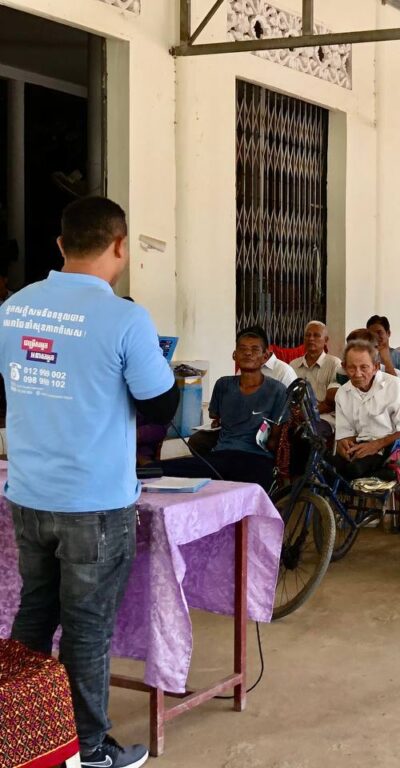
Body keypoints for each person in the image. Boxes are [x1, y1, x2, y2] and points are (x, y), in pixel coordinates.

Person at [3, 196, 178, 768]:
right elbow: (161, 403)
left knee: (35, 613)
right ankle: (92, 750)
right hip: (94, 506)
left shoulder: (15, 308)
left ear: (61, 244)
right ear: (121, 246)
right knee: (87, 629)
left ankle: (22, 733)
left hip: (28, 495)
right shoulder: (125, 318)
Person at [161, 329, 288, 490]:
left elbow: (275, 440)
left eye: (254, 349)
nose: (248, 353)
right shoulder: (223, 385)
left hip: (257, 458)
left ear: (265, 357)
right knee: (165, 469)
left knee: (250, 491)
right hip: (221, 454)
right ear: (235, 355)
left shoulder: (277, 390)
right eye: (242, 349)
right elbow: (216, 419)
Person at [332, 339, 400, 482]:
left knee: (354, 470)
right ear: (344, 367)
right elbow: (345, 433)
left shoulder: (395, 386)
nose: (357, 373)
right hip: (361, 448)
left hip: (391, 448)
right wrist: (343, 444)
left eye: (364, 367)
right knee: (327, 469)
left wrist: (375, 445)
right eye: (352, 368)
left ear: (376, 367)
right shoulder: (342, 393)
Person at [290, 320, 343, 440]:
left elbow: (333, 402)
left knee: (305, 434)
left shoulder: (334, 364)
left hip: (324, 417)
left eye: (316, 335)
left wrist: (307, 414)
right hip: (297, 416)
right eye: (308, 335)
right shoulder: (293, 365)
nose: (311, 339)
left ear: (326, 340)